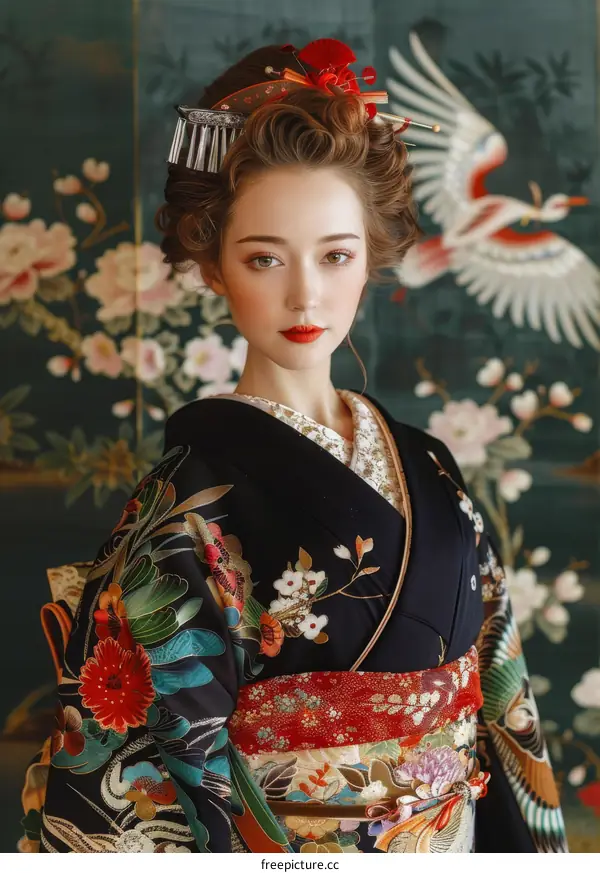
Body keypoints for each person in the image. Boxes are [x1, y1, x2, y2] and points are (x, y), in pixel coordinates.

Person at [34, 40, 567, 853]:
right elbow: (146, 775)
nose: (305, 293)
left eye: (335, 255)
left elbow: (501, 701)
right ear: (214, 264)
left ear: (370, 258)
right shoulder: (187, 503)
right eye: (263, 258)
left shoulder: (427, 463)